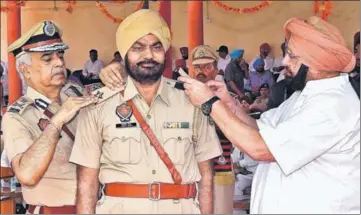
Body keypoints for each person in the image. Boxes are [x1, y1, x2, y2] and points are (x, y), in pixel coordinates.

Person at [179, 16, 360, 213]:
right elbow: (260, 130)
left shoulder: (332, 105)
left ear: (316, 61)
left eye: (292, 56)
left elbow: (259, 148)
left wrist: (210, 103)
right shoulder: (303, 96)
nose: (284, 61)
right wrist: (229, 103)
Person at [69, 9, 222, 214]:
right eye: (138, 47)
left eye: (156, 47)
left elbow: (206, 175)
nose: (148, 55)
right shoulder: (98, 106)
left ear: (165, 52)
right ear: (125, 54)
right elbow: (87, 183)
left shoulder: (192, 100)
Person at [2, 20, 97, 214]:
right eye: (47, 59)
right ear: (25, 70)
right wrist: (57, 121)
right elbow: (27, 175)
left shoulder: (76, 93)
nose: (59, 62)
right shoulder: (18, 117)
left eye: (60, 55)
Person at [190, 45, 235, 214]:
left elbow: (234, 132)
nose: (201, 71)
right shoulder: (182, 98)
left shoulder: (228, 99)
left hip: (219, 169)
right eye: (197, 67)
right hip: (189, 169)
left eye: (207, 66)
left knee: (221, 209)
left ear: (216, 69)